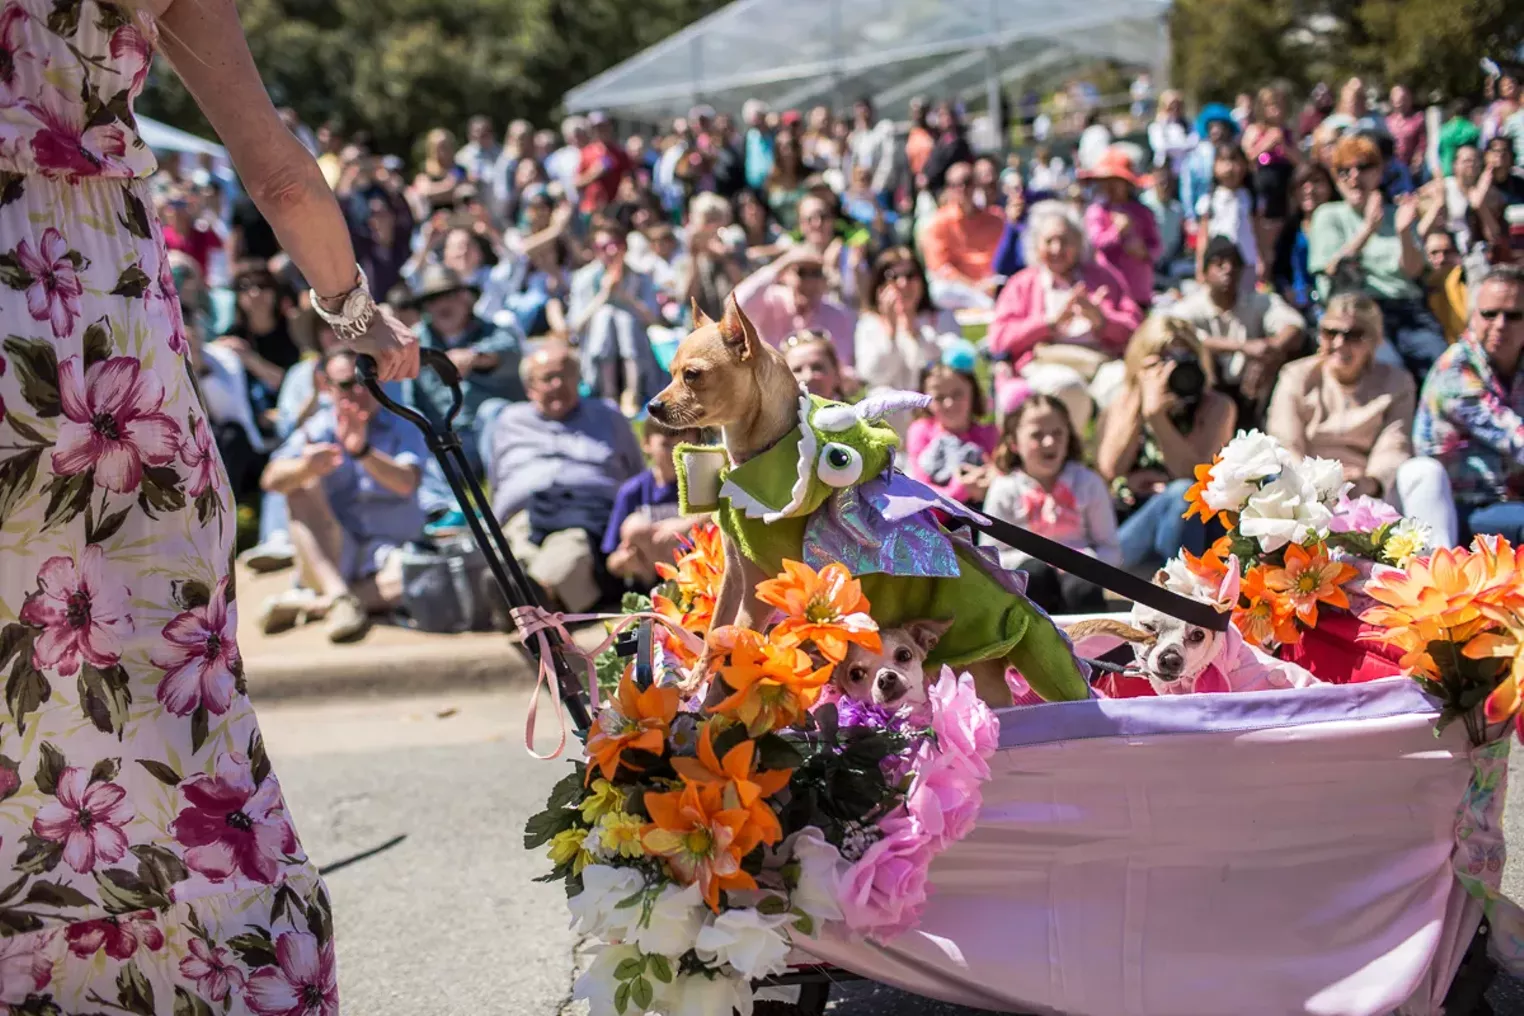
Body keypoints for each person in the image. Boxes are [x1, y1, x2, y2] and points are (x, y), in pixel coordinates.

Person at [0, 0, 419, 1004]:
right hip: (98, 320)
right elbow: (273, 168)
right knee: (154, 655)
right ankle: (199, 966)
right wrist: (355, 310)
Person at [259, 349, 425, 641]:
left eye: (366, 380)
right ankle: (338, 596)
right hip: (334, 553)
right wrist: (305, 467)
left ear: (381, 382)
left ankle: (324, 604)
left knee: (421, 578)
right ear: (327, 386)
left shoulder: (406, 422)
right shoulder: (318, 428)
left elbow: (406, 483)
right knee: (299, 485)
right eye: (348, 384)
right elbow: (270, 479)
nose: (360, 391)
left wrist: (362, 452)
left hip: (391, 555)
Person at [1267, 292, 1457, 547]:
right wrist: (1317, 484)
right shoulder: (1297, 375)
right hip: (1306, 493)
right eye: (1329, 332)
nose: (1339, 343)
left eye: (1353, 335)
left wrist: (1370, 481)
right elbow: (1285, 441)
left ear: (1375, 340)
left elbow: (1395, 444)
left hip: (1373, 491)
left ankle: (1439, 568)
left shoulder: (1396, 381)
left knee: (1425, 471)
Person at [486, 343, 643, 611]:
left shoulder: (607, 416)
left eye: (566, 375)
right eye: (548, 378)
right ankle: (531, 594)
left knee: (573, 544)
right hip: (524, 513)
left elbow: (636, 475)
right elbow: (496, 481)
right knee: (516, 543)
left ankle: (533, 598)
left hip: (587, 511)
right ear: (530, 387)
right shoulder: (509, 421)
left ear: (579, 378)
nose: (558, 384)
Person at [1096, 316, 1237, 571]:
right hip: (1132, 531)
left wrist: (1157, 418)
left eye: (1183, 359)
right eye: (1162, 361)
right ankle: (1180, 587)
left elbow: (1195, 476)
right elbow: (1109, 470)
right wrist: (1141, 402)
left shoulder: (1216, 407)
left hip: (1195, 531)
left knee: (1182, 492)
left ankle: (1179, 590)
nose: (1172, 370)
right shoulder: (1125, 401)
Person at [987, 200, 1143, 430]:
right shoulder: (1022, 284)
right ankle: (1069, 457)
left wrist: (1101, 320)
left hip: (1098, 361)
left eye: (1065, 241)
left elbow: (1137, 328)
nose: (1057, 249)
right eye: (1049, 241)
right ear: (1036, 244)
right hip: (1044, 363)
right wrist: (1048, 324)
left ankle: (1109, 460)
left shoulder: (1103, 277)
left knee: (1123, 383)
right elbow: (998, 338)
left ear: (1079, 243)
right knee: (1067, 387)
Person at [1309, 134, 1444, 379]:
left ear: (1379, 172)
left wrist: (1404, 232)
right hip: (1358, 315)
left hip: (1408, 312)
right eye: (1344, 171)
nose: (1354, 176)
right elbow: (1332, 269)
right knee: (1390, 373)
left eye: (1363, 167)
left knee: (1442, 369)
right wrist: (1368, 230)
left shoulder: (1398, 215)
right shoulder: (1328, 215)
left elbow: (1413, 272)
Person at [981, 395, 1120, 614]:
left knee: (1082, 584)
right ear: (1014, 443)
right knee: (1035, 574)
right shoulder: (1005, 489)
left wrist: (1080, 560)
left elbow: (1111, 549)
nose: (1049, 442)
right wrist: (1043, 561)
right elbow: (989, 556)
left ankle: (1092, 647)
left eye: (1057, 433)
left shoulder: (1088, 483)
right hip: (1030, 581)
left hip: (1078, 578)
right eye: (1037, 435)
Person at [1415, 265, 1524, 543]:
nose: (1500, 324)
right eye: (1489, 314)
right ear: (1472, 316)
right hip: (1465, 507)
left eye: (1513, 316)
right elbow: (1513, 437)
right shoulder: (1454, 371)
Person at [1166, 236, 1307, 427]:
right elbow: (1174, 332)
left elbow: (1293, 325)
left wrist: (1268, 352)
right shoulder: (1190, 307)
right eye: (1219, 264)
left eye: (1234, 263)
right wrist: (1242, 347)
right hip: (1204, 395)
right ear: (1205, 272)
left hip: (1250, 391)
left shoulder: (1258, 301)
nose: (1228, 269)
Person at [409, 264, 525, 470]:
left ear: (466, 298)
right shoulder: (413, 344)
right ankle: (442, 501)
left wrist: (476, 357)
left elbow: (513, 354)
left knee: (494, 411)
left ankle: (505, 492)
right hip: (443, 442)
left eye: (449, 295)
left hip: (491, 435)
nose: (442, 305)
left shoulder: (492, 330)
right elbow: (408, 403)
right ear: (425, 307)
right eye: (433, 299)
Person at [568, 221, 668, 415]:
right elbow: (575, 327)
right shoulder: (583, 278)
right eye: (603, 247)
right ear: (595, 250)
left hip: (639, 358)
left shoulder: (641, 277)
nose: (611, 251)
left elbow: (653, 320)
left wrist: (625, 295)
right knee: (605, 316)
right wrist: (603, 296)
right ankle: (609, 393)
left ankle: (632, 392)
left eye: (616, 244)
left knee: (623, 318)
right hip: (595, 360)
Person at [854, 247, 960, 427]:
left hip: (933, 406)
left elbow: (951, 363)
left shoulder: (942, 318)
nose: (903, 284)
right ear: (880, 286)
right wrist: (891, 331)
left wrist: (915, 332)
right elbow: (873, 376)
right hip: (893, 420)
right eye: (892, 277)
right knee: (882, 396)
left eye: (911, 275)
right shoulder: (869, 324)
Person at [603, 420, 705, 587]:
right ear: (647, 444)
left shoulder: (703, 486)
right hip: (648, 577)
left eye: (684, 445)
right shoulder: (633, 491)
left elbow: (722, 512)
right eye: (666, 445)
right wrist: (625, 561)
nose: (676, 453)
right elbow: (611, 561)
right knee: (635, 526)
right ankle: (659, 587)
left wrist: (684, 526)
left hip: (697, 575)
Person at [732, 244, 858, 367]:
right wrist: (782, 264)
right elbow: (734, 305)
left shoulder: (838, 316)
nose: (809, 282)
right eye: (802, 273)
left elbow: (843, 365)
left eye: (816, 273)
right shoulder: (771, 301)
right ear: (786, 276)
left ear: (824, 280)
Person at [907, 358, 999, 506]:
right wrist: (961, 490)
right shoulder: (921, 431)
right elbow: (921, 491)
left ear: (973, 392)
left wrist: (991, 478)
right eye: (939, 397)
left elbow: (1003, 473)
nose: (949, 403)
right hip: (940, 522)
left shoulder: (990, 434)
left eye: (957, 394)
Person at [917, 160, 1005, 310]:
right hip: (961, 287)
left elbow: (1006, 260)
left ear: (976, 183)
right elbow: (940, 268)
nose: (962, 189)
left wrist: (988, 283)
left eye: (967, 182)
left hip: (992, 282)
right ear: (948, 189)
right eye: (955, 185)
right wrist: (974, 286)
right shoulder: (939, 222)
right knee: (940, 291)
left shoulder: (997, 218)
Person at [1081, 147, 1161, 308]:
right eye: (1105, 181)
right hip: (1110, 291)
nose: (1109, 187)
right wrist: (1117, 232)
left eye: (1115, 181)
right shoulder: (1096, 212)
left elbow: (1157, 246)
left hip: (1139, 290)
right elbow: (1096, 243)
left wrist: (1144, 251)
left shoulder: (1142, 212)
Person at [1242, 85, 1301, 278]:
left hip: (1283, 189)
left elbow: (1300, 161)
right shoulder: (1254, 131)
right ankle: (1262, 272)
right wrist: (1266, 143)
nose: (1275, 110)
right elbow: (1247, 158)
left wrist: (1283, 145)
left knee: (1280, 235)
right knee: (1261, 236)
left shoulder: (1288, 133)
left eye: (1279, 105)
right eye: (1270, 105)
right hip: (1261, 189)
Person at [1196, 143, 1259, 283]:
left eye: (1235, 160)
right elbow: (1203, 237)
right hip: (1217, 263)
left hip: (1246, 262)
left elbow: (1258, 231)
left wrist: (1263, 259)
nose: (1230, 167)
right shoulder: (1209, 199)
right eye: (1224, 161)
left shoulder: (1250, 197)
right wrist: (1201, 267)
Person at [783, 330, 849, 401]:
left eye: (817, 368)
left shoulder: (856, 411)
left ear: (837, 373)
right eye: (797, 370)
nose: (808, 377)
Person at [1147, 90, 1195, 172]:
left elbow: (1193, 143)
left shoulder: (1187, 125)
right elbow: (1160, 146)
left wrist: (1176, 147)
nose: (1175, 109)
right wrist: (1182, 147)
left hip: (1186, 169)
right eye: (1171, 106)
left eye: (1178, 106)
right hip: (1165, 170)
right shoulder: (1156, 126)